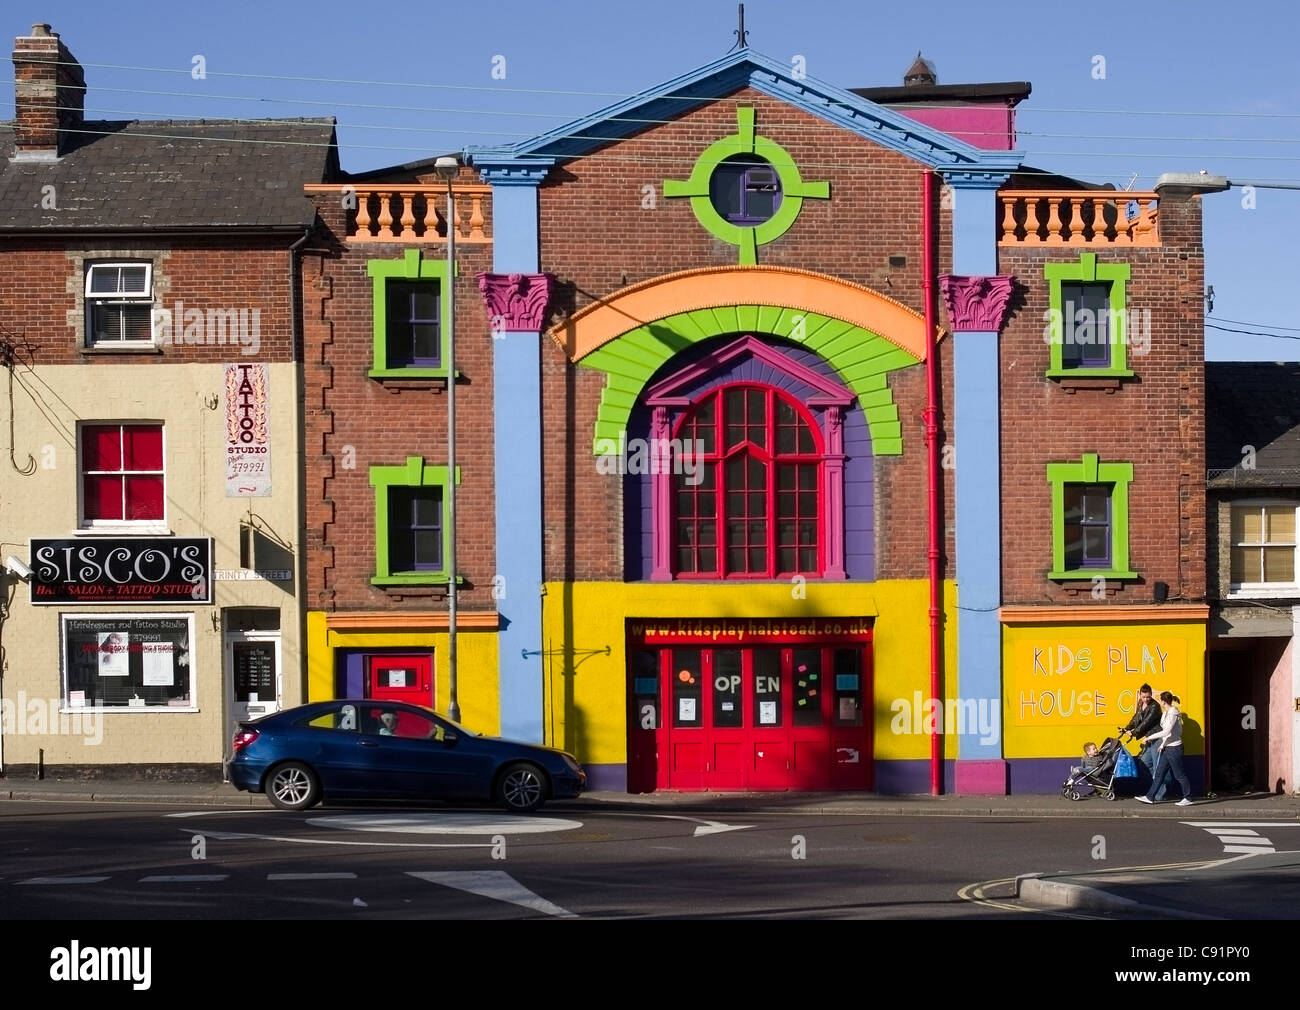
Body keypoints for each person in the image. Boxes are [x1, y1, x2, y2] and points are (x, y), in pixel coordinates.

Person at [1136, 692, 1193, 806]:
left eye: (1160, 700)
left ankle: (1188, 797)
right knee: (1159, 773)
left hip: (1175, 749)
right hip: (1167, 748)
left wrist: (1149, 738)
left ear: (1163, 701)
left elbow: (1167, 731)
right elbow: (1168, 734)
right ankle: (1150, 797)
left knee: (1179, 775)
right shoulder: (1165, 713)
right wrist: (1162, 745)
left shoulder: (1173, 713)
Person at [1122, 684, 1165, 798]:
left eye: (1148, 697)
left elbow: (1147, 722)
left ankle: (1158, 794)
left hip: (1157, 738)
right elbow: (1136, 718)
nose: (1146, 699)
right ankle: (1158, 789)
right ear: (1140, 695)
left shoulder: (1155, 706)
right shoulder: (1140, 703)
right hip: (1149, 739)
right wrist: (1127, 728)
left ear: (1151, 694)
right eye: (1144, 697)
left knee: (1157, 768)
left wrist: (1134, 732)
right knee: (1144, 765)